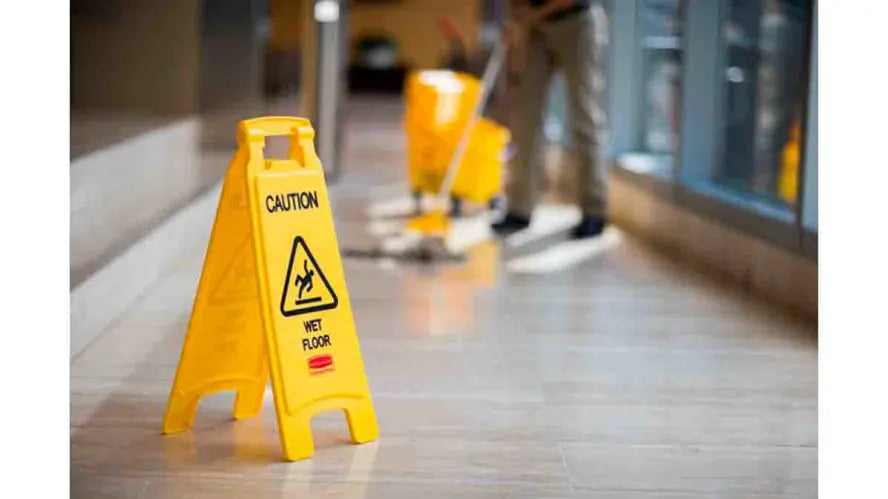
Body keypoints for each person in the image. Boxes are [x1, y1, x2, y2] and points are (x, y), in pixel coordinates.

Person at [492, 0, 609, 238]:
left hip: (577, 20)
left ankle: (593, 211)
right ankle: (519, 208)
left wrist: (531, 15)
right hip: (534, 28)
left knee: (584, 118)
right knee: (524, 118)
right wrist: (514, 20)